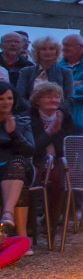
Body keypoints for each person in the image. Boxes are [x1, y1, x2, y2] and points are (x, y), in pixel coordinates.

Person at [28, 82, 74, 245]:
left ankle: (51, 224)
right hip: (35, 160)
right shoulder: (29, 117)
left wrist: (55, 133)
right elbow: (31, 147)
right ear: (37, 100)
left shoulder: (64, 116)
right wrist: (49, 132)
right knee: (32, 181)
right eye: (48, 96)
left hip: (58, 159)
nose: (54, 100)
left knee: (60, 181)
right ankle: (30, 225)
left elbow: (68, 143)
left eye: (56, 96)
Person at [0, 81, 33, 241]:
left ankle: (7, 213)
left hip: (18, 166)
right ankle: (19, 238)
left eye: (9, 98)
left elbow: (29, 151)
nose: (6, 102)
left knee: (18, 164)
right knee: (21, 185)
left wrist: (13, 133)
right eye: (1, 99)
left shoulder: (22, 120)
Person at [16, 36, 75, 115]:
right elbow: (20, 97)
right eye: (43, 49)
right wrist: (37, 111)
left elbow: (69, 99)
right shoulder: (26, 72)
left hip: (57, 116)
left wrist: (52, 111)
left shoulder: (66, 73)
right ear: (37, 52)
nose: (48, 52)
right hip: (29, 116)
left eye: (51, 49)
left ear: (57, 52)